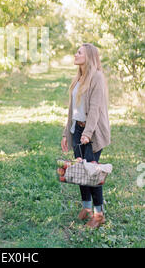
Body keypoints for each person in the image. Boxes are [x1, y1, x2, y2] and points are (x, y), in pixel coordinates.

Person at [61, 43, 111, 228]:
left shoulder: (97, 77)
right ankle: (87, 208)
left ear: (88, 56)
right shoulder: (78, 78)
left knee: (92, 174)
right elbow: (72, 110)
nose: (75, 54)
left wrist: (88, 134)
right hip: (78, 130)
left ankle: (99, 214)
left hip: (93, 131)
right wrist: (67, 133)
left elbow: (96, 109)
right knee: (81, 171)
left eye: (79, 52)